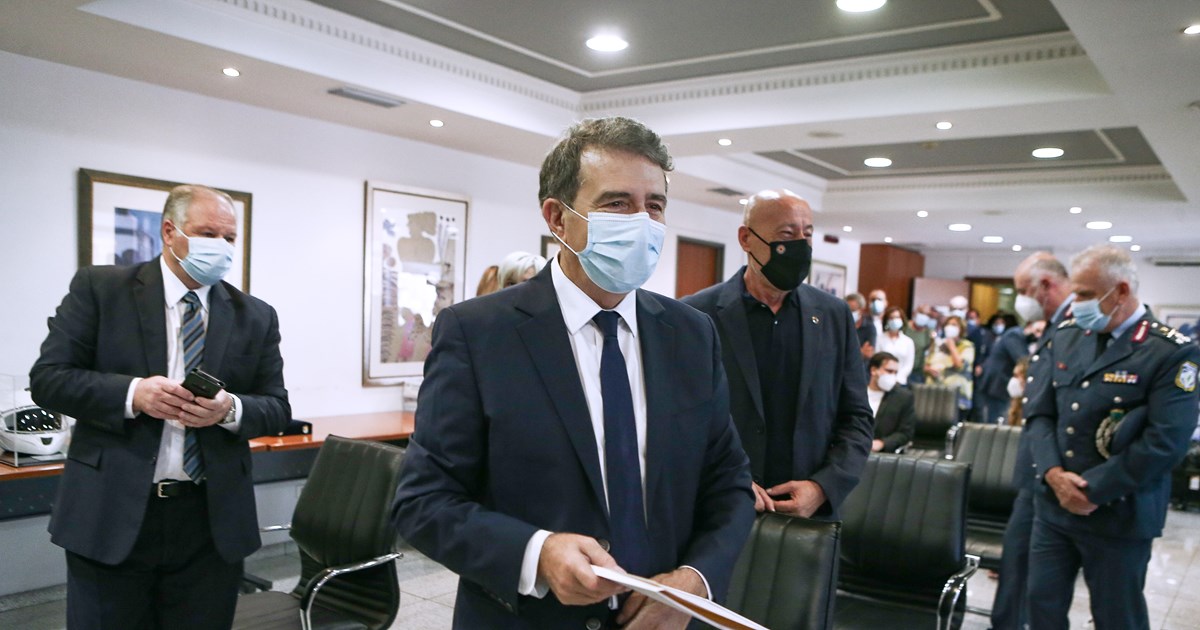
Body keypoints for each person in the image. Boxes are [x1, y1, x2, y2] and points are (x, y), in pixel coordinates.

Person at [392, 117, 755, 629]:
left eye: (654, 205)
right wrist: (536, 553)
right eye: (617, 203)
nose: (642, 222)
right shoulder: (479, 333)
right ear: (557, 219)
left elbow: (729, 482)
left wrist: (697, 581)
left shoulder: (691, 334)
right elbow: (422, 502)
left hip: (666, 619)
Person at [29, 185, 291, 629]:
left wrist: (229, 409)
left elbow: (277, 406)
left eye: (229, 238)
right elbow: (49, 379)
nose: (221, 247)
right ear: (170, 232)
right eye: (208, 233)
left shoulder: (255, 315)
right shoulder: (101, 289)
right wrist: (133, 394)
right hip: (112, 511)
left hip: (209, 522)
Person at [1024, 245, 1199, 630]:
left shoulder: (1170, 351)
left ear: (1120, 291)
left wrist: (1091, 490)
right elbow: (1039, 413)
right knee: (1040, 608)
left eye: (1085, 294)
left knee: (1118, 617)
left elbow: (1166, 442)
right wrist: (1053, 474)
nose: (1076, 304)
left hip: (1120, 513)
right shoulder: (1069, 335)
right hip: (1054, 506)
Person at [682, 189, 873, 520]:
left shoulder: (833, 315)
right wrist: (724, 477)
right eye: (787, 234)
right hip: (718, 508)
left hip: (809, 516)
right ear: (746, 239)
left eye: (807, 234)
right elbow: (680, 418)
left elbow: (857, 417)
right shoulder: (696, 315)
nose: (800, 244)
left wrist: (823, 487)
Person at [990, 251, 1074, 630]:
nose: (1020, 299)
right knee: (1016, 566)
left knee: (1043, 588)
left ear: (1045, 285)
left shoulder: (1075, 328)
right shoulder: (1051, 329)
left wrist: (1054, 470)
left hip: (1061, 472)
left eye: (1023, 290)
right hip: (1036, 471)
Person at [976, 317, 1036, 424]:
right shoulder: (1014, 335)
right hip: (998, 383)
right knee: (997, 419)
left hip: (1001, 382)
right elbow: (1023, 359)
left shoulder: (1020, 337)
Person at [924, 314, 975, 421]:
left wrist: (951, 346)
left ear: (961, 329)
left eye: (954, 325)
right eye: (948, 324)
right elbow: (926, 364)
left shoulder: (967, 346)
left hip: (957, 398)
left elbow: (960, 366)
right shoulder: (937, 344)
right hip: (935, 395)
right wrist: (929, 370)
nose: (950, 327)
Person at [866, 352, 916, 453]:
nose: (892, 376)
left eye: (895, 373)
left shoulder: (903, 397)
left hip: (881, 453)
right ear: (874, 370)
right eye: (889, 371)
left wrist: (882, 443)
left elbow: (905, 433)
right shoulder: (856, 393)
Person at [876, 305, 916, 384]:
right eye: (891, 318)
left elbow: (909, 364)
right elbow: (877, 359)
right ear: (887, 320)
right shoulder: (879, 338)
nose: (894, 320)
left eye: (897, 317)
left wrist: (898, 378)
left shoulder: (908, 342)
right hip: (881, 379)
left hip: (900, 381)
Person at [905, 304, 937, 385]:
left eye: (927, 315)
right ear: (914, 313)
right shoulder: (905, 328)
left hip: (917, 373)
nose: (924, 316)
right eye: (922, 313)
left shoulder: (928, 333)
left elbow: (930, 352)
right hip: (902, 369)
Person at [845, 292, 876, 361]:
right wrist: (860, 352)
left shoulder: (869, 328)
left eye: (853, 310)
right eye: (847, 311)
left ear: (861, 310)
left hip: (861, 366)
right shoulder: (839, 326)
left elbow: (868, 353)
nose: (849, 314)